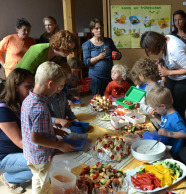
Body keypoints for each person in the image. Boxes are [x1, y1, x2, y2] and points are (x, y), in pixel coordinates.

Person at [21, 61, 75, 194]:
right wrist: (60, 146)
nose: (58, 91)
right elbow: (36, 138)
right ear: (50, 84)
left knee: (37, 177)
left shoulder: (28, 99)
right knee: (44, 184)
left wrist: (54, 130)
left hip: (30, 154)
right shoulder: (40, 108)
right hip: (41, 156)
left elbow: (32, 127)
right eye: (58, 87)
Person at [0, 68, 34, 193]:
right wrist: (49, 147)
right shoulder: (3, 110)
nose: (32, 89)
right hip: (4, 156)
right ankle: (9, 177)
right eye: (28, 86)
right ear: (15, 87)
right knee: (40, 163)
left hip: (17, 150)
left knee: (46, 158)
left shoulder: (22, 103)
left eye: (33, 85)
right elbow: (20, 141)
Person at [140, 31, 186, 121]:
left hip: (182, 81)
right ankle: (169, 127)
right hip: (172, 78)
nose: (149, 52)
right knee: (168, 106)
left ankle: (179, 131)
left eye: (149, 49)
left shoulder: (175, 48)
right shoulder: (165, 39)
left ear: (154, 45)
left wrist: (168, 73)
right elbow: (173, 60)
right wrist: (162, 61)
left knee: (177, 109)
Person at [82, 18, 122, 96]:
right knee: (98, 100)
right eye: (96, 28)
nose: (99, 30)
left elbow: (118, 54)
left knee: (111, 98)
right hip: (96, 78)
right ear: (92, 30)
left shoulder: (108, 41)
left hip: (110, 76)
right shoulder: (87, 44)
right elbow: (86, 62)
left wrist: (118, 55)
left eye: (101, 28)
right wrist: (98, 57)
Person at [147, 86, 186, 158]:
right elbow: (164, 125)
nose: (154, 110)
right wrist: (155, 117)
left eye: (155, 108)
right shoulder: (165, 113)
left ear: (163, 106)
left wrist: (168, 133)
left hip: (172, 151)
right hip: (164, 145)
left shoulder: (175, 118)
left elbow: (184, 133)